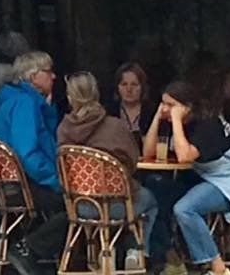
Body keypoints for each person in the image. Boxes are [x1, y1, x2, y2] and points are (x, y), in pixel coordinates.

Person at [145, 77, 230, 275]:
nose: (166, 109)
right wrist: (157, 118)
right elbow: (148, 152)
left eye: (171, 105)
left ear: (187, 107)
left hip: (224, 182)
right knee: (154, 193)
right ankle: (170, 256)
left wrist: (175, 119)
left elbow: (184, 157)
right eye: (163, 103)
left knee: (184, 209)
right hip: (198, 178)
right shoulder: (170, 121)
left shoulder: (208, 124)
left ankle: (218, 267)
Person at [59, 70, 158, 252]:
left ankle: (95, 256)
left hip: (79, 207)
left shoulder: (63, 129)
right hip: (118, 206)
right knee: (150, 200)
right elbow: (133, 162)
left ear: (70, 97)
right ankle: (135, 253)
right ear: (96, 93)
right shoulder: (115, 126)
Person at [0, 50, 69, 275]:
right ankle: (27, 249)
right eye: (48, 71)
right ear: (33, 76)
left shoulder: (16, 100)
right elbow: (28, 154)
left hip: (11, 183)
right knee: (79, 208)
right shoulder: (24, 104)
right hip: (21, 184)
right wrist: (57, 182)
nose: (54, 77)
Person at [111, 62, 154, 142]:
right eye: (124, 84)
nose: (129, 89)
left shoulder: (153, 113)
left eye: (134, 84)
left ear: (142, 87)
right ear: (118, 88)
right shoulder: (109, 113)